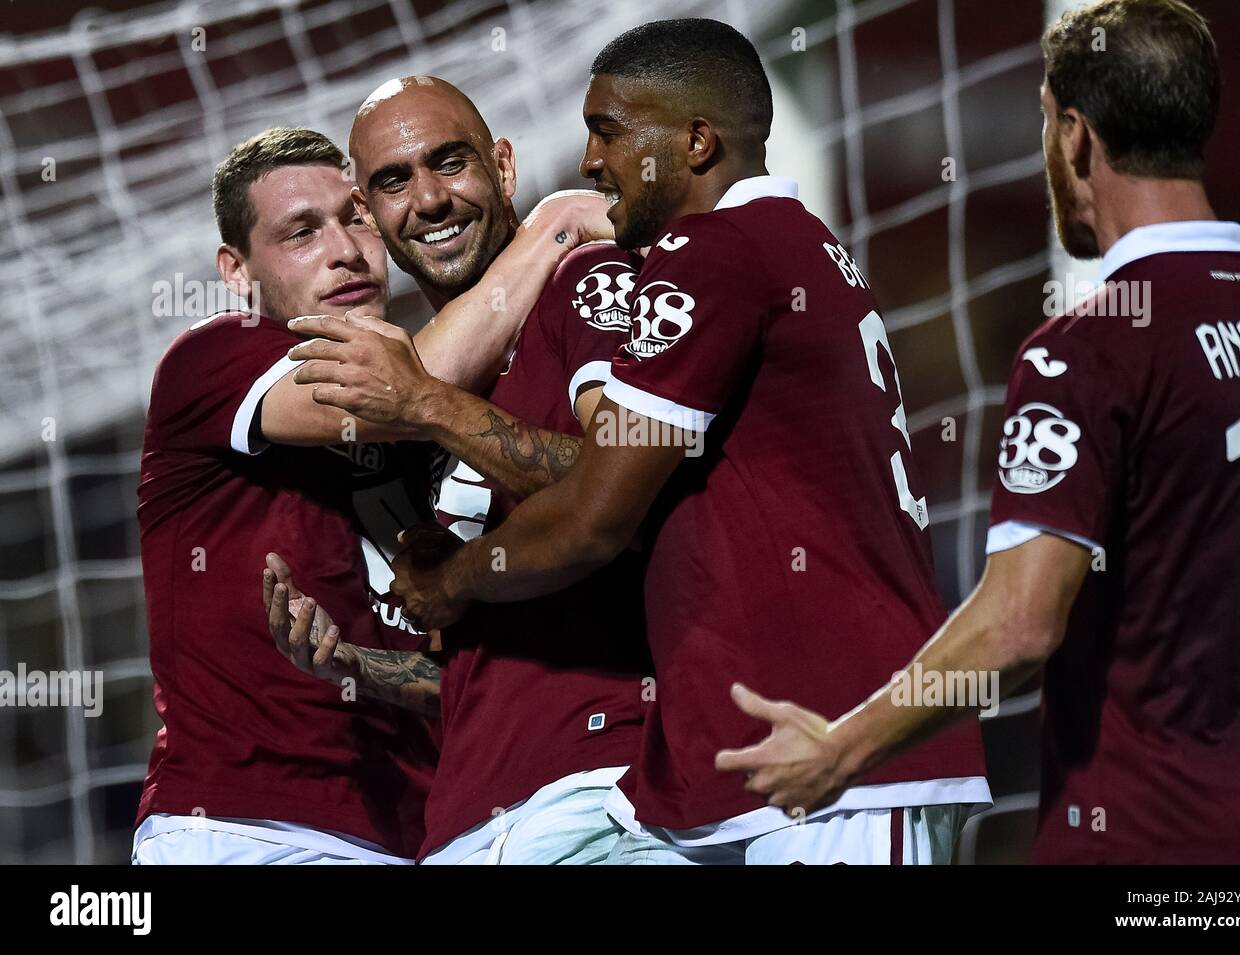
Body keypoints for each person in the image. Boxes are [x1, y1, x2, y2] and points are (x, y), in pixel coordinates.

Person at [339, 21, 988, 865]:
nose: (586, 163)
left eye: (608, 132)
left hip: (834, 744)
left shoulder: (700, 253)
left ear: (694, 140)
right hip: (773, 762)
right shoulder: (792, 247)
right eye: (392, 180)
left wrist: (451, 569)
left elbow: (601, 509)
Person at [716, 0, 1240, 864]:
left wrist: (843, 746)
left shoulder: (1085, 352)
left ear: (1073, 134)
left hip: (1148, 847)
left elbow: (1021, 626)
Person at [136, 125, 604, 863]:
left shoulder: (443, 429)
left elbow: (449, 678)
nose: (344, 248)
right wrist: (553, 225)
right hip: (245, 826)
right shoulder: (217, 357)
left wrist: (354, 666)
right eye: (300, 232)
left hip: (411, 833)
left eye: (354, 215)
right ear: (236, 270)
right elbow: (396, 392)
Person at [278, 76, 652, 864]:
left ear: (505, 168)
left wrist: (429, 406)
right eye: (393, 182)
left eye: (450, 163)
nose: (429, 200)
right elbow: (474, 666)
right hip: (469, 822)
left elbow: (629, 494)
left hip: (610, 789)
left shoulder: (589, 282)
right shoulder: (416, 389)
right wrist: (359, 664)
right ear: (373, 217)